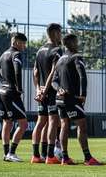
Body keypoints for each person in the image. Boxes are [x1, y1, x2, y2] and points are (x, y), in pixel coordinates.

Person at [52, 34, 100, 165]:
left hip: (60, 99)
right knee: (82, 126)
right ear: (72, 43)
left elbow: (53, 81)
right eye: (76, 42)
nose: (78, 44)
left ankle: (65, 158)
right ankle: (87, 158)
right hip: (72, 99)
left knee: (64, 126)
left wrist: (58, 89)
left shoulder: (60, 59)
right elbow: (82, 76)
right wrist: (83, 94)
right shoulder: (76, 57)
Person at [31, 23, 63, 164]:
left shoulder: (39, 50)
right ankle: (50, 156)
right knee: (52, 121)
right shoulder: (57, 50)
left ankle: (36, 156)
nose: (61, 35)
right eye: (60, 32)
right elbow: (53, 71)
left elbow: (35, 72)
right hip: (51, 92)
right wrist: (46, 90)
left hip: (42, 91)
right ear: (55, 33)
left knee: (40, 123)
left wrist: (38, 89)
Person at [0, 32, 28, 162]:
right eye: (23, 43)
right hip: (11, 93)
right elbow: (17, 70)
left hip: (2, 92)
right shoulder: (16, 54)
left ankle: (6, 154)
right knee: (23, 124)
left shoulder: (4, 54)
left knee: (7, 122)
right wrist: (19, 88)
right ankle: (11, 153)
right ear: (16, 42)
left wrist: (2, 81)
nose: (24, 46)